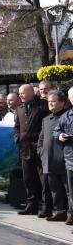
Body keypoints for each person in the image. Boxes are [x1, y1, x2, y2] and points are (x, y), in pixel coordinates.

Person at [14, 84, 50, 215]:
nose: (20, 95)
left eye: (23, 92)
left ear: (31, 92)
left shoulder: (43, 106)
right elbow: (17, 127)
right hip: (25, 149)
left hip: (39, 148)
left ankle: (47, 206)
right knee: (28, 179)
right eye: (19, 93)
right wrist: (17, 138)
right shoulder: (20, 108)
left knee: (43, 179)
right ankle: (31, 205)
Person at [38, 90, 69, 221]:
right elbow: (41, 138)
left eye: (53, 101)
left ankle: (71, 214)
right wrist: (40, 151)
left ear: (62, 102)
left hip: (64, 160)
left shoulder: (67, 118)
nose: (50, 104)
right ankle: (60, 212)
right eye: (49, 101)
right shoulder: (46, 119)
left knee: (68, 189)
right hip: (48, 160)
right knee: (54, 189)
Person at [51, 86, 73, 227]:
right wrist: (60, 135)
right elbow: (56, 131)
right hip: (71, 160)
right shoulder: (67, 115)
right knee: (72, 192)